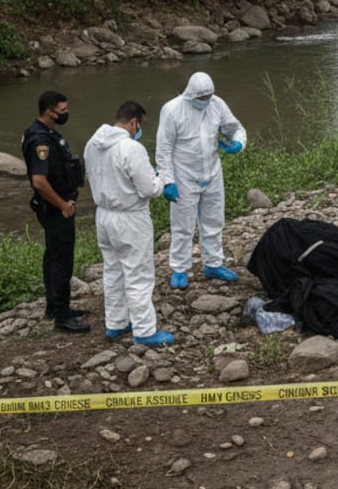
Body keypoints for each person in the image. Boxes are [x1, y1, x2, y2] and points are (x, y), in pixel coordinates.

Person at [83, 101, 173, 347]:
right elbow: (148, 189)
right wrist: (162, 178)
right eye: (139, 125)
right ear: (133, 123)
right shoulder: (131, 148)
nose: (139, 130)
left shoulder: (93, 143)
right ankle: (144, 330)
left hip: (103, 215)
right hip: (130, 217)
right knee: (139, 273)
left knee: (113, 271)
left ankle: (116, 322)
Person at [156, 71, 247, 289]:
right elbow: (163, 149)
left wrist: (238, 143)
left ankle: (213, 263)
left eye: (208, 97)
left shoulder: (217, 105)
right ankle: (179, 268)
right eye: (201, 98)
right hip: (184, 175)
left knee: (214, 220)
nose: (205, 101)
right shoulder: (172, 110)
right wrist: (167, 180)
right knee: (183, 225)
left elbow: (236, 128)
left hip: (212, 173)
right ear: (191, 95)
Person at [21, 90, 89, 333]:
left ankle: (54, 306)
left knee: (53, 256)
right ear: (48, 112)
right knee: (61, 259)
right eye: (62, 111)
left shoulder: (44, 133)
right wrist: (63, 205)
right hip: (56, 208)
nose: (65, 114)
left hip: (55, 205)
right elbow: (39, 181)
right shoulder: (40, 140)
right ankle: (62, 314)